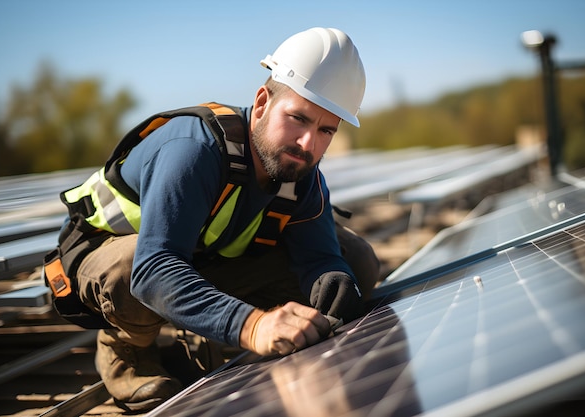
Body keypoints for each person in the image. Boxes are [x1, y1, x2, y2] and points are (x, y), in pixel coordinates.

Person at [43, 27, 379, 413]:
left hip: (202, 262)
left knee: (355, 257)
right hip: (117, 261)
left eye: (325, 131)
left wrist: (333, 281)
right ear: (263, 100)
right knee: (130, 266)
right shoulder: (194, 149)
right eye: (298, 119)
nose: (308, 144)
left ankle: (211, 326)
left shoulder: (301, 174)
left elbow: (321, 258)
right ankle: (126, 346)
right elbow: (154, 269)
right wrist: (252, 326)